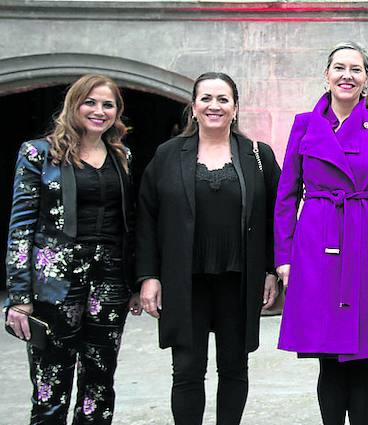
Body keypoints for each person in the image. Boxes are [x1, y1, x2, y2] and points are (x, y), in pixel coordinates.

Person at [135, 72, 281, 425]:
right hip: (185, 280)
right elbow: (146, 217)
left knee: (234, 368)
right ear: (194, 106)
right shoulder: (168, 155)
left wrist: (271, 270)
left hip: (238, 280)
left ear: (235, 108)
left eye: (223, 99)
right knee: (186, 370)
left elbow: (277, 216)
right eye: (206, 99)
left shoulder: (256, 155)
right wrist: (148, 276)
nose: (214, 106)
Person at [274, 41, 368, 425]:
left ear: (367, 79)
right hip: (315, 244)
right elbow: (286, 194)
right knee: (327, 353)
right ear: (326, 75)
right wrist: (284, 257)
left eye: (356, 69)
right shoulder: (304, 124)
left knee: (361, 353)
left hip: (364, 241)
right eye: (339, 68)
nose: (347, 76)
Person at [4, 74, 140, 424]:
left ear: (116, 112)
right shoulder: (38, 153)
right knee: (50, 385)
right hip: (55, 286)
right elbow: (21, 227)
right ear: (74, 105)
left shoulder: (121, 154)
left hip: (110, 281)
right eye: (90, 102)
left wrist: (137, 281)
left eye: (108, 104)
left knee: (100, 384)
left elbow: (130, 222)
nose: (99, 110)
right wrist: (19, 297)